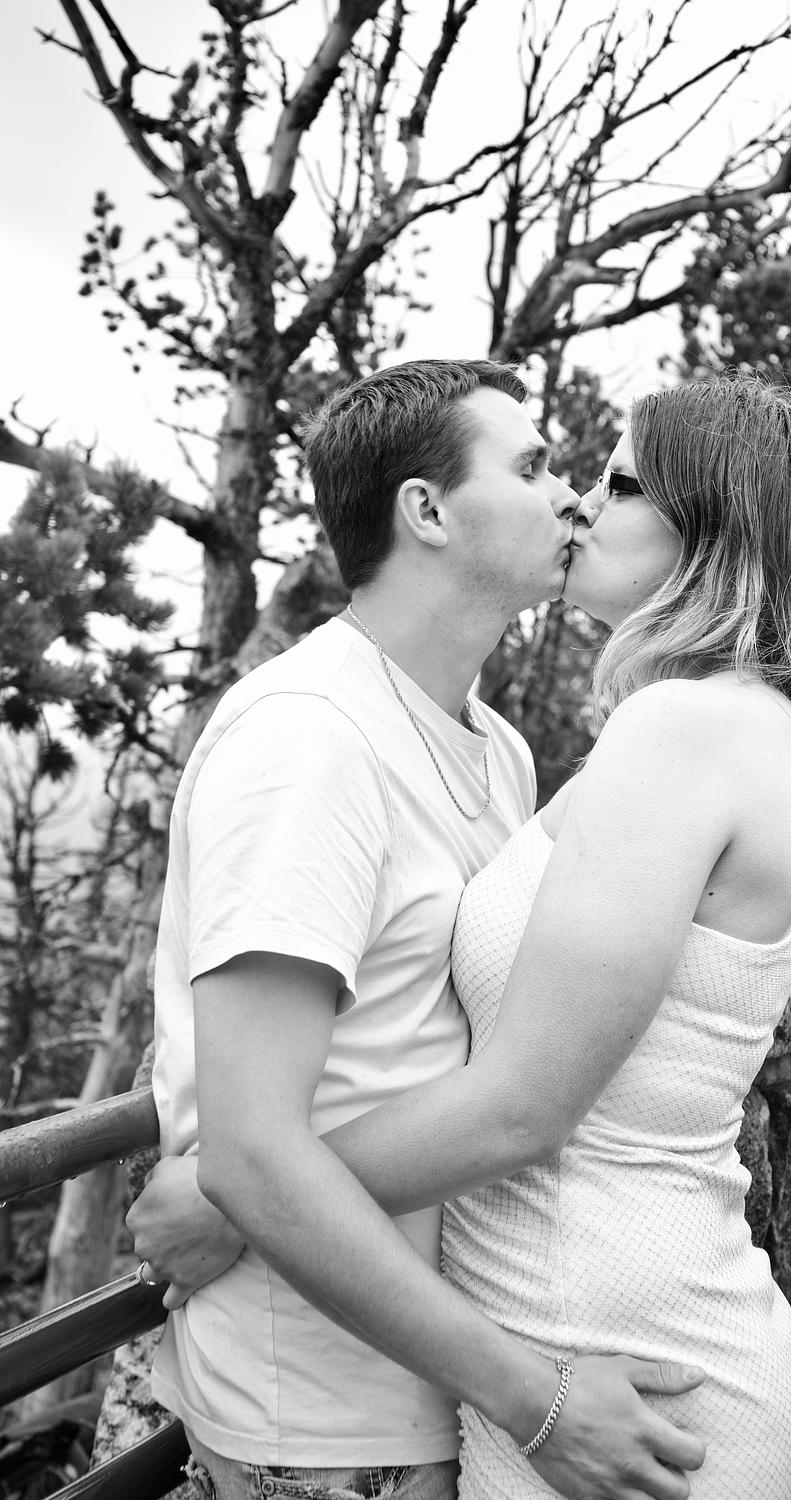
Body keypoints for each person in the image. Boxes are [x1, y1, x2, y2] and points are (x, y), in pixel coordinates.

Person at [136, 358, 710, 1500]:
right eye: (534, 467)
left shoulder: (499, 750)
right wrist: (536, 1399)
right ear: (428, 510)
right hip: (321, 1421)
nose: (572, 498)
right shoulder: (309, 741)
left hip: (441, 1383)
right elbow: (250, 1154)